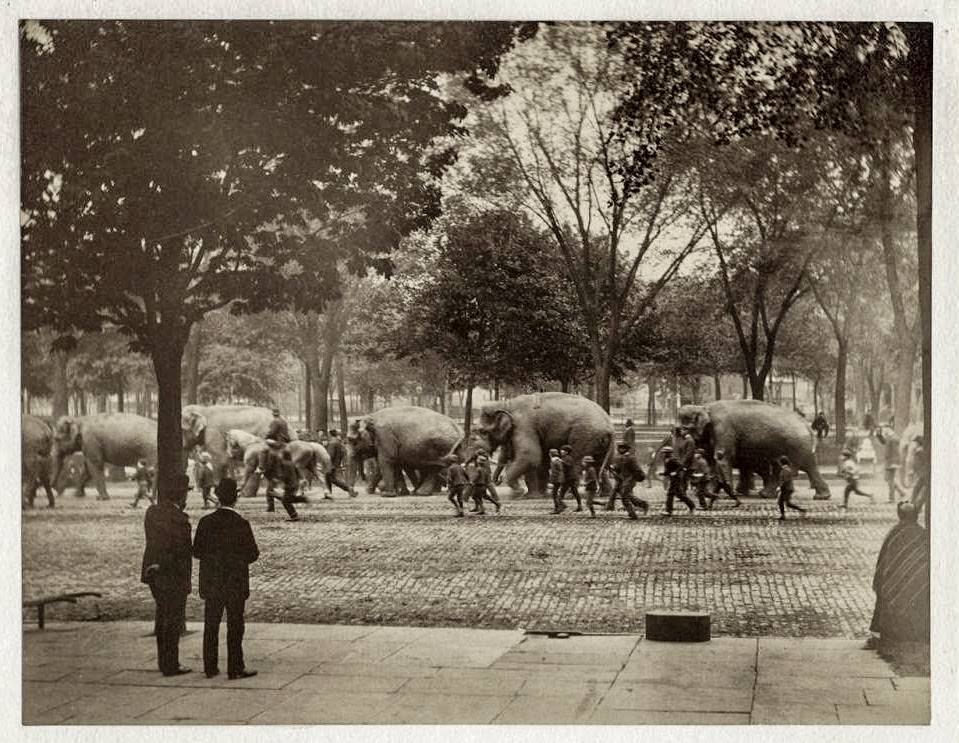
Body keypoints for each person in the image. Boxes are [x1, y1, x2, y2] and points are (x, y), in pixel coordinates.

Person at [192, 478, 259, 680]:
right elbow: (253, 554)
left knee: (211, 625)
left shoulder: (206, 522)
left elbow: (196, 552)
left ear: (218, 497)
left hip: (212, 582)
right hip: (235, 583)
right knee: (235, 626)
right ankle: (235, 666)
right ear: (235, 498)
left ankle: (210, 666)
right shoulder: (241, 523)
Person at [140, 474, 193, 677]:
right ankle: (171, 664)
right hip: (173, 575)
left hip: (153, 573)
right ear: (180, 496)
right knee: (172, 619)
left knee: (162, 616)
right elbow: (181, 551)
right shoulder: (181, 520)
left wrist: (155, 564)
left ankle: (164, 661)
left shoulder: (152, 512)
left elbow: (156, 542)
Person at [869, 502, 929, 644]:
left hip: (895, 580)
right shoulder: (920, 533)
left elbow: (883, 560)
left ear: (899, 515)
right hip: (913, 581)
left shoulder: (895, 532)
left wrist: (882, 578)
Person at [610, 443, 649, 519]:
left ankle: (632, 514)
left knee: (624, 497)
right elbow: (619, 468)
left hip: (629, 480)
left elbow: (637, 469)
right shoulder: (622, 457)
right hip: (623, 480)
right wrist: (613, 467)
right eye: (619, 448)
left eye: (621, 448)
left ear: (625, 449)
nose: (619, 449)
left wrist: (635, 477)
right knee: (628, 496)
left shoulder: (631, 458)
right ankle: (643, 504)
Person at [266, 451, 301, 521]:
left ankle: (295, 514)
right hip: (295, 484)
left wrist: (278, 480)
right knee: (286, 499)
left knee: (285, 501)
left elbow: (283, 475)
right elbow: (298, 474)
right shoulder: (292, 463)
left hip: (289, 485)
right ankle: (294, 514)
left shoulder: (284, 464)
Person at [875, 426, 907, 503]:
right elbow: (884, 442)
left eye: (885, 430)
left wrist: (894, 463)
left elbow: (896, 452)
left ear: (889, 430)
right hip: (889, 461)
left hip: (892, 462)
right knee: (888, 479)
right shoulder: (890, 438)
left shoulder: (893, 438)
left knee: (890, 480)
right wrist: (878, 435)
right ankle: (901, 493)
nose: (884, 431)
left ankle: (892, 498)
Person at [256, 408, 291, 476]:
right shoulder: (284, 421)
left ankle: (261, 467)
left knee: (263, 449)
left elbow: (272, 433)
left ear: (273, 415)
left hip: (279, 442)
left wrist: (265, 437)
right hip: (286, 441)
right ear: (279, 414)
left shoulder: (275, 421)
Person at [325, 429, 357, 498]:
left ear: (330, 435)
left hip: (331, 464)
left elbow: (331, 455)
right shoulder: (338, 442)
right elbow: (342, 453)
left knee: (334, 480)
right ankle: (328, 493)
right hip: (336, 464)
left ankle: (349, 489)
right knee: (328, 478)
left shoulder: (332, 443)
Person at [663, 450, 695, 516]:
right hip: (673, 479)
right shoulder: (666, 460)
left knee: (670, 494)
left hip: (676, 479)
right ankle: (692, 506)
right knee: (680, 495)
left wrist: (676, 472)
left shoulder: (672, 459)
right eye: (664, 452)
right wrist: (663, 473)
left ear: (670, 453)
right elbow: (669, 470)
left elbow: (681, 466)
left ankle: (668, 511)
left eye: (666, 453)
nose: (664, 454)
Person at [776, 455, 806, 521]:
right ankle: (783, 515)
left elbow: (785, 480)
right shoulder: (786, 469)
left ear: (781, 462)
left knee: (786, 503)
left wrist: (780, 487)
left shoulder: (786, 470)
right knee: (781, 502)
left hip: (787, 489)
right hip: (787, 488)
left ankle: (801, 509)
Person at [558, 445, 583, 512]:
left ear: (566, 452)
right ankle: (579, 506)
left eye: (563, 450)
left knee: (562, 492)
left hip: (569, 478)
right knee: (575, 492)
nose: (561, 451)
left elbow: (568, 465)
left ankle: (561, 506)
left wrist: (561, 461)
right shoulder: (565, 458)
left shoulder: (568, 458)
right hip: (570, 477)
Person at [548, 448, 565, 514]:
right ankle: (561, 505)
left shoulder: (553, 461)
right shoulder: (559, 460)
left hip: (557, 479)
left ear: (550, 454)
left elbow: (554, 471)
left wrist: (552, 479)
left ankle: (558, 508)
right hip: (560, 478)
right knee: (555, 493)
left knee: (554, 494)